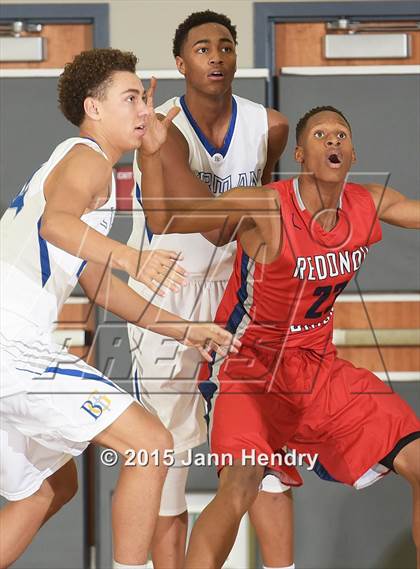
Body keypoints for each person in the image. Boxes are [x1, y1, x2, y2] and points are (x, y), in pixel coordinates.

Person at [139, 104, 420, 568]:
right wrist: (151, 154)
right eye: (321, 135)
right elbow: (165, 219)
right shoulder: (267, 203)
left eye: (341, 135)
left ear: (352, 153)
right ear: (301, 156)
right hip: (248, 365)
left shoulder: (369, 203)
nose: (333, 141)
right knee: (242, 485)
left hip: (317, 367)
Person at [0, 48, 238, 569]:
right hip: (13, 346)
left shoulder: (86, 170)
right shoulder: (85, 157)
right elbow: (55, 225)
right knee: (150, 443)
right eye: (130, 98)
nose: (143, 110)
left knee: (48, 489)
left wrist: (186, 330)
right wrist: (135, 256)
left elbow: (100, 286)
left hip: (11, 348)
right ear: (94, 107)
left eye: (146, 99)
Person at [127, 10, 294, 569]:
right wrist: (246, 206)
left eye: (226, 46)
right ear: (180, 63)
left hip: (237, 296)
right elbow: (185, 219)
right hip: (166, 293)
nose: (216, 56)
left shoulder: (269, 125)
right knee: (166, 458)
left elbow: (261, 220)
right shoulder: (158, 125)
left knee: (260, 448)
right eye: (202, 48)